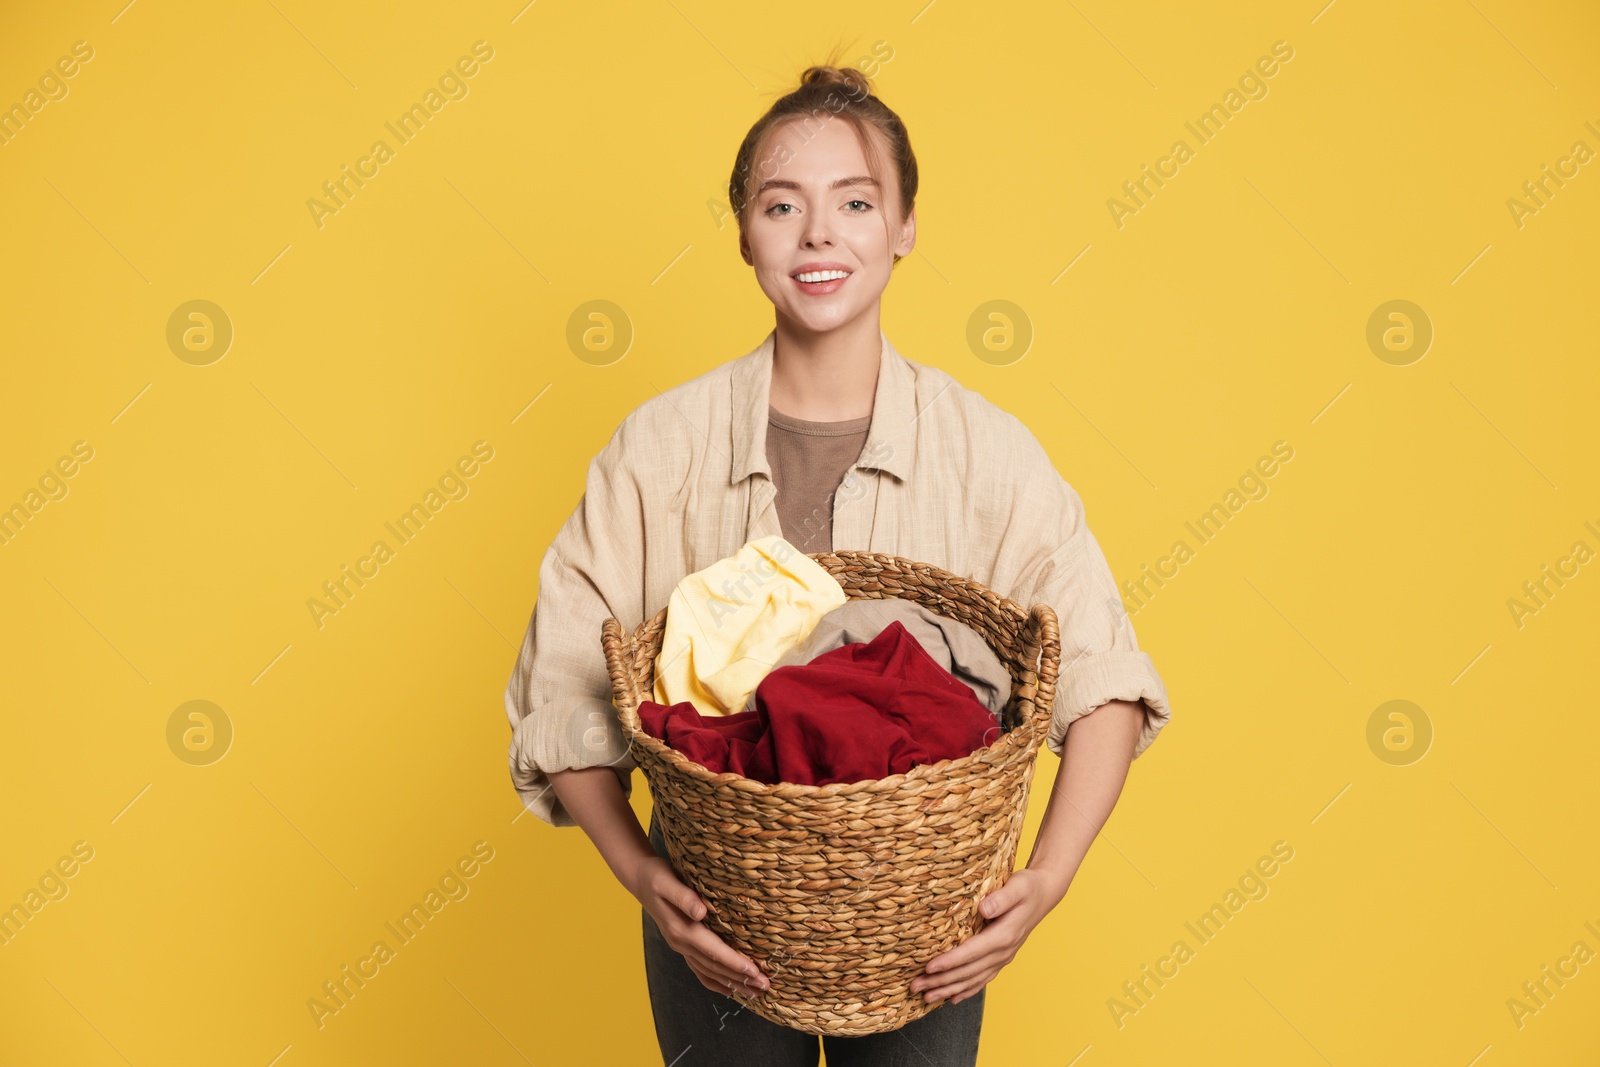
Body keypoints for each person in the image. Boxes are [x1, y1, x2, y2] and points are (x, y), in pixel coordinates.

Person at [503, 57, 1173, 1067]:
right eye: (783, 205)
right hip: (714, 925)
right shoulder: (659, 448)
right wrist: (644, 876)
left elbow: (1103, 679)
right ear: (743, 233)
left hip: (925, 928)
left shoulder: (984, 452)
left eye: (855, 202)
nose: (818, 233)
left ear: (903, 227)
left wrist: (1048, 875)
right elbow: (562, 680)